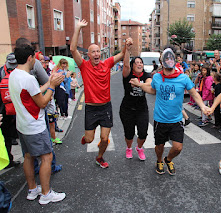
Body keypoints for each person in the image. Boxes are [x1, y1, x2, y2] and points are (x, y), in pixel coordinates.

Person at [129, 47, 210, 175]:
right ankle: (159, 160)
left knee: (178, 147)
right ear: (162, 62)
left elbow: (194, 93)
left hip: (176, 119)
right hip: (160, 119)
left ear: (174, 60)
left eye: (170, 57)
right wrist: (140, 85)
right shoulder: (157, 78)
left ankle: (168, 159)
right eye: (166, 58)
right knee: (159, 146)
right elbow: (152, 90)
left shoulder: (183, 78)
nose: (169, 60)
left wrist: (203, 106)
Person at [9, 44, 66, 204]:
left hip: (22, 125)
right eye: (35, 57)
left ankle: (33, 190)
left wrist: (48, 82)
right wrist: (53, 87)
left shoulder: (14, 75)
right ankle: (46, 194)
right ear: (30, 58)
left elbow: (32, 93)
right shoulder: (28, 78)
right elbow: (42, 102)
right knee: (46, 157)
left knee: (28, 157)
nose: (36, 61)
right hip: (35, 126)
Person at [70, 19, 131, 168]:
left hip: (105, 107)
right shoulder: (83, 66)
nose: (97, 54)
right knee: (90, 140)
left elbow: (123, 54)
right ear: (89, 55)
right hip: (91, 108)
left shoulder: (107, 63)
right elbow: (72, 49)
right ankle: (87, 137)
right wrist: (78, 27)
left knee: (104, 138)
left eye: (98, 51)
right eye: (93, 52)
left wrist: (127, 45)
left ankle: (99, 157)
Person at [120, 53, 150, 160]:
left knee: (143, 133)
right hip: (127, 109)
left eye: (141, 62)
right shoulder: (128, 75)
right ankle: (129, 148)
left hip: (141, 109)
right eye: (136, 63)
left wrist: (139, 84)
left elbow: (149, 84)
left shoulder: (146, 75)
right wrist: (127, 50)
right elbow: (126, 65)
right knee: (129, 133)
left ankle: (139, 148)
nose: (139, 64)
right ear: (132, 65)